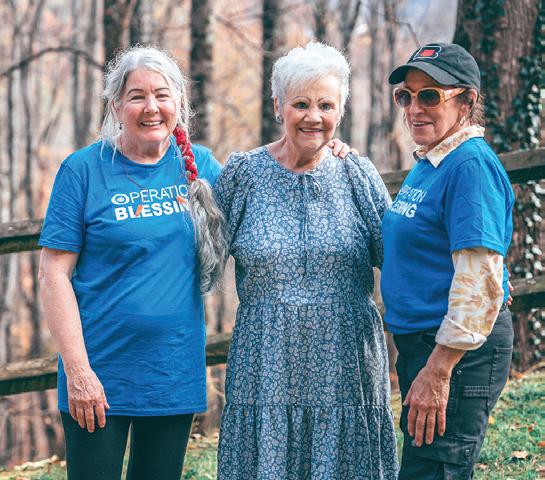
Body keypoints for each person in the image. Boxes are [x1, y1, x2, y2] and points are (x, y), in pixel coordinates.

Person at [38, 46, 227, 480]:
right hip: (99, 375)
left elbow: (268, 183)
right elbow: (53, 274)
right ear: (116, 106)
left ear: (179, 102)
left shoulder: (201, 167)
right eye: (137, 96)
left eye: (161, 95)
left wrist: (325, 147)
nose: (151, 107)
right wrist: (78, 371)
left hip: (171, 372)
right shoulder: (83, 170)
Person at [214, 42, 398, 480]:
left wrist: (484, 270)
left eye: (325, 105)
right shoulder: (243, 174)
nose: (313, 116)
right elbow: (200, 258)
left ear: (341, 111)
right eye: (301, 104)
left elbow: (400, 257)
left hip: (345, 363)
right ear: (278, 106)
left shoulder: (357, 174)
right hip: (266, 363)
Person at [381, 42, 515, 479]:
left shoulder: (470, 166)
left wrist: (438, 370)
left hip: (453, 354)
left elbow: (480, 278)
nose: (414, 108)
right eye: (406, 95)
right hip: (426, 346)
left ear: (467, 101)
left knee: (434, 470)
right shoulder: (434, 160)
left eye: (430, 95)